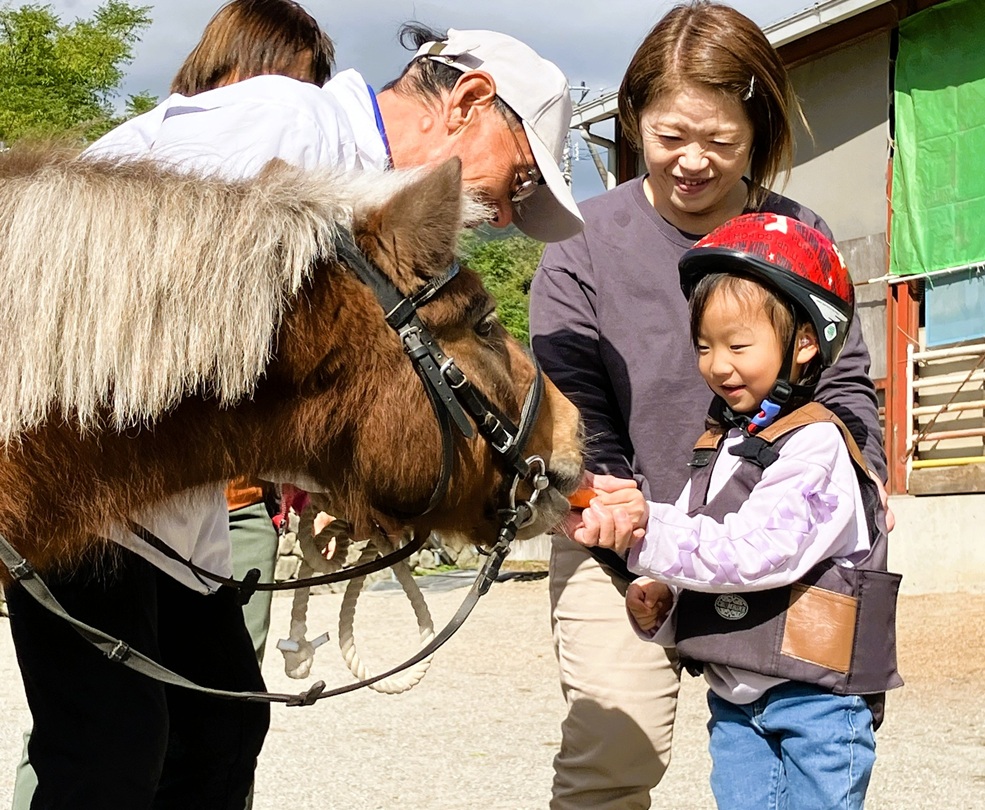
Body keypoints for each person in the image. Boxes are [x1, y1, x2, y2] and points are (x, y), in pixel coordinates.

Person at [5, 17, 582, 810]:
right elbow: (66, 244)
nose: (509, 214)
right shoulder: (287, 123)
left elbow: (260, 380)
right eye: (518, 180)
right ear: (469, 101)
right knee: (108, 749)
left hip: (159, 515)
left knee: (217, 732)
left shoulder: (352, 189)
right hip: (83, 489)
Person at [528, 3, 890, 808]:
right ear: (634, 121)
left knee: (796, 762)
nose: (693, 161)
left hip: (775, 544)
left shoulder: (797, 235)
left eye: (720, 142)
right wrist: (615, 511)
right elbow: (570, 403)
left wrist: (860, 493)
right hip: (619, 543)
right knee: (610, 763)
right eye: (670, 137)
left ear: (756, 130)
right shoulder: (580, 243)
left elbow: (843, 386)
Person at [579, 213, 901, 809]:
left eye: (738, 345)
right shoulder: (719, 445)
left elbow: (755, 554)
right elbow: (703, 541)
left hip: (816, 705)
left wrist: (643, 527)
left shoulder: (816, 445)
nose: (718, 365)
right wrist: (661, 596)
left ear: (805, 342)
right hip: (735, 702)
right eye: (704, 346)